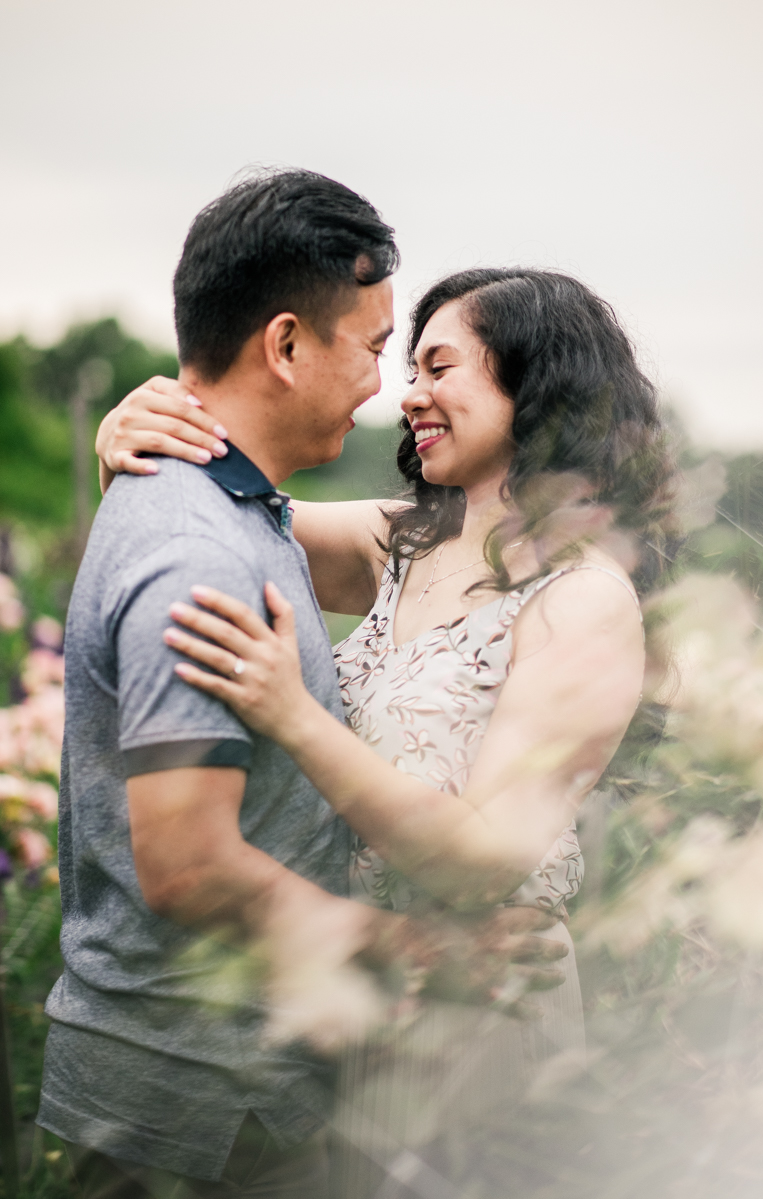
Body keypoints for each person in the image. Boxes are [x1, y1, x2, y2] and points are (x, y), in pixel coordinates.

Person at [38, 172, 568, 1199]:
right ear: (284, 344)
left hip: (255, 1072)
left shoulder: (251, 515)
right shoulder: (199, 539)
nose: (386, 388)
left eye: (422, 362)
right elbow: (187, 862)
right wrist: (406, 947)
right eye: (375, 350)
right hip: (194, 1092)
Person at [97, 264, 676, 1195]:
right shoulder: (402, 541)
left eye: (440, 367)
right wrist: (128, 433)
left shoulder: (587, 599)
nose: (408, 394)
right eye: (408, 365)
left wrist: (292, 713)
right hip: (369, 995)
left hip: (481, 1022)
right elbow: (213, 527)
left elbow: (486, 855)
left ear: (535, 385)